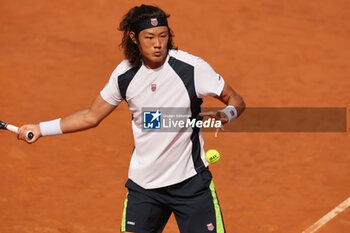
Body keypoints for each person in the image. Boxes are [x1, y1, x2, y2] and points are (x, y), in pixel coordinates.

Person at [18, 4, 245, 233]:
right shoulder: (124, 75)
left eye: (163, 36)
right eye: (149, 37)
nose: (158, 44)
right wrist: (40, 128)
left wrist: (227, 114)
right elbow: (91, 116)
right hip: (144, 188)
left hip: (191, 184)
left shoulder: (192, 68)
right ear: (134, 37)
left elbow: (235, 99)